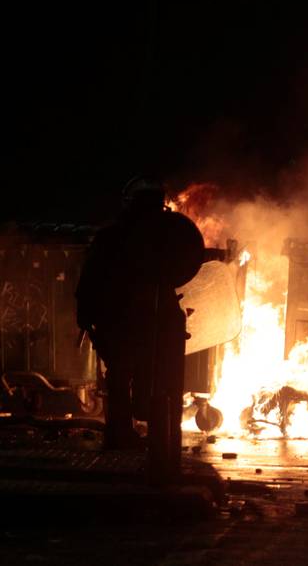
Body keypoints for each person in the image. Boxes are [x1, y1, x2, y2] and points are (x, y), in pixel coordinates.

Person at [76, 176, 203, 479]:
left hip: (121, 319)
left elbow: (90, 277)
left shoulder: (113, 236)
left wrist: (84, 313)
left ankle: (123, 432)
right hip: (144, 319)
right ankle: (136, 431)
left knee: (121, 377)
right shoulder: (163, 236)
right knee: (141, 376)